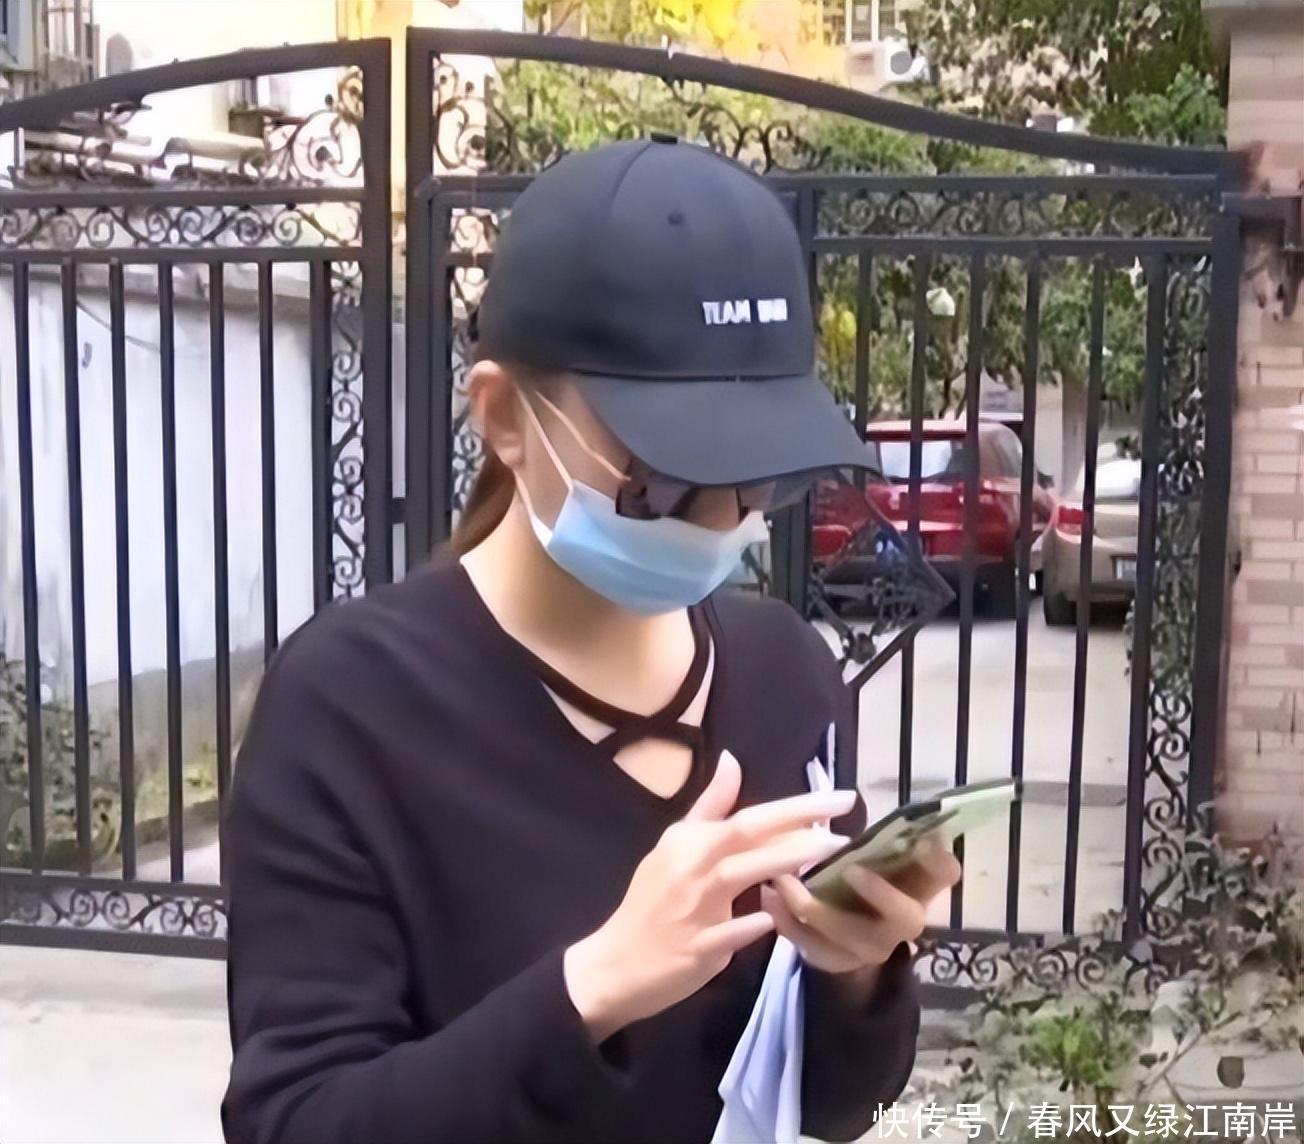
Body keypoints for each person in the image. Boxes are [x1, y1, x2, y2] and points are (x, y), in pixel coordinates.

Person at [220, 137, 961, 1144]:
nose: (720, 517)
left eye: (758, 474)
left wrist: (860, 973)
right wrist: (591, 988)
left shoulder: (785, 677)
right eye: (661, 475)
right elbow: (296, 1121)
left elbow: (831, 1106)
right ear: (503, 417)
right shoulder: (349, 708)